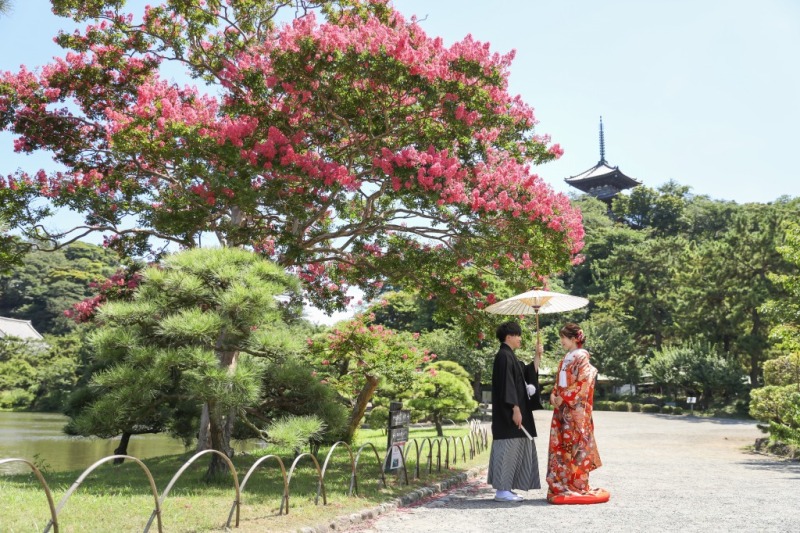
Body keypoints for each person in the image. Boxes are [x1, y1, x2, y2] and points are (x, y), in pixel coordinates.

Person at [546, 322, 606, 504]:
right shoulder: (566, 358)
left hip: (575, 410)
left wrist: (563, 396)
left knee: (577, 444)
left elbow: (583, 384)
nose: (561, 341)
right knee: (561, 445)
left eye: (563, 338)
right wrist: (554, 394)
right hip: (562, 408)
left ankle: (577, 485)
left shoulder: (582, 357)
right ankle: (561, 482)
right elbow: (559, 382)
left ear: (573, 339)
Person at [486, 320, 543, 502]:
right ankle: (502, 491)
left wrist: (537, 356)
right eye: (517, 335)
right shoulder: (503, 356)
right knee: (507, 449)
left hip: (514, 412)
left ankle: (507, 488)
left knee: (515, 447)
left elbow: (526, 374)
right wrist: (515, 408)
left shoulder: (509, 356)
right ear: (509, 336)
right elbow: (507, 386)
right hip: (508, 414)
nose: (520, 339)